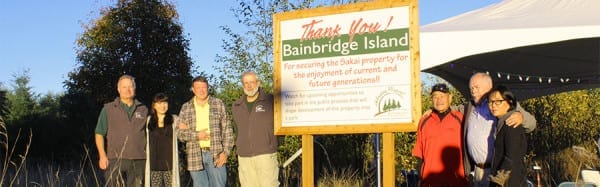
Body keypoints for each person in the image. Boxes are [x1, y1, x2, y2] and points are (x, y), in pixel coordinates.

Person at [459, 72, 536, 187]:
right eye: (471, 88)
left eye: (476, 87)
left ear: (488, 87)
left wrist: (521, 116)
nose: (473, 91)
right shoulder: (470, 107)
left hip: (498, 171)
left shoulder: (502, 103)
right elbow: (450, 109)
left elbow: (532, 124)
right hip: (478, 171)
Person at [177, 76, 234, 187]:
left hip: (216, 154)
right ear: (193, 89)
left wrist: (225, 152)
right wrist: (197, 135)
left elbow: (228, 129)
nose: (201, 90)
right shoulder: (186, 108)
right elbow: (180, 134)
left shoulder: (218, 104)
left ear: (208, 88)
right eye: (198, 88)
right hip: (195, 155)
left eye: (204, 87)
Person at [95, 75, 148, 187]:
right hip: (115, 159)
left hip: (138, 159)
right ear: (118, 89)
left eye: (130, 86)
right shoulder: (108, 109)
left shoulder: (143, 109)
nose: (128, 90)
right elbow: (99, 133)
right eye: (124, 87)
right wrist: (102, 156)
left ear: (135, 88)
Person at [412, 83, 467, 186]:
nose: (439, 100)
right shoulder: (424, 121)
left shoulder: (460, 119)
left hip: (456, 180)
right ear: (432, 99)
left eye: (442, 96)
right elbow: (419, 153)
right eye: (435, 96)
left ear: (450, 98)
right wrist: (420, 178)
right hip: (430, 180)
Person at [232, 71, 279, 187]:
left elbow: (280, 126)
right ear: (242, 85)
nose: (249, 86)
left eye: (252, 82)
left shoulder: (270, 101)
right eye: (246, 83)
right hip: (244, 156)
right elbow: (236, 130)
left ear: (258, 83)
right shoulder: (236, 106)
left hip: (265, 155)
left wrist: (271, 142)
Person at [487, 85, 527, 186]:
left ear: (509, 102)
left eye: (498, 101)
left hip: (509, 182)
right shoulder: (501, 123)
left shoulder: (512, 124)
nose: (493, 105)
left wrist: (498, 180)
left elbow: (511, 156)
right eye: (491, 102)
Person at [144, 93, 180, 187]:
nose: (162, 106)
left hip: (170, 165)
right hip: (154, 165)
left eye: (165, 103)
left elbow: (185, 132)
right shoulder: (148, 120)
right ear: (154, 105)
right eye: (159, 103)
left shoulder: (174, 120)